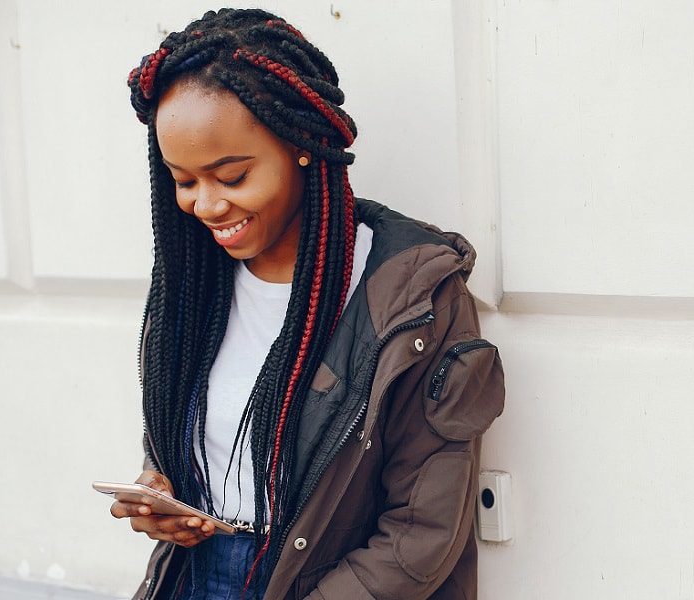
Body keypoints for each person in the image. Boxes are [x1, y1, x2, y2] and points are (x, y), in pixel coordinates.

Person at [109, 8, 505, 600]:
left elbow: (420, 535)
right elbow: (192, 443)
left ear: (300, 146)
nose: (208, 206)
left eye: (233, 175)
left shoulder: (413, 298)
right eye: (184, 181)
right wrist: (167, 496)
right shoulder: (192, 288)